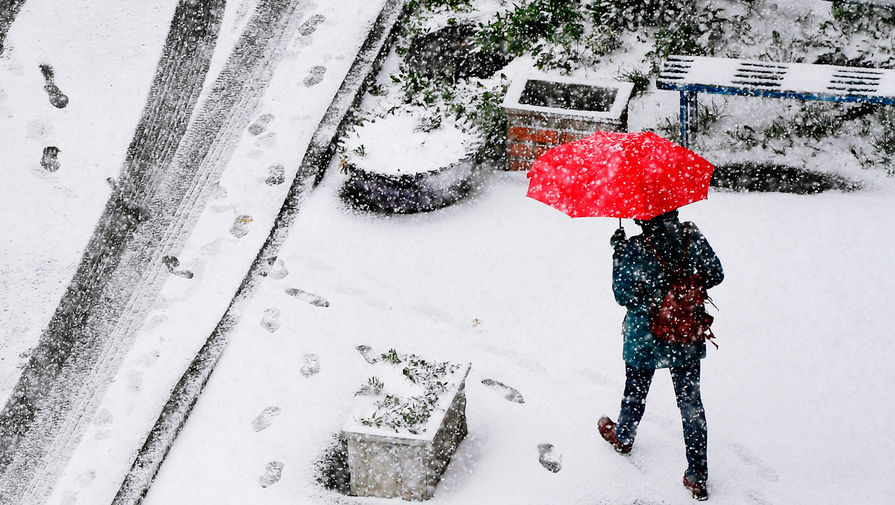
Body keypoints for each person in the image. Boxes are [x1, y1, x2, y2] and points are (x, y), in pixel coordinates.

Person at [598, 209, 723, 501]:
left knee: (636, 391)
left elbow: (622, 296)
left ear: (640, 218)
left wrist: (618, 252)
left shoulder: (633, 248)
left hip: (645, 336)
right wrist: (683, 287)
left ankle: (624, 437)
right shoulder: (691, 235)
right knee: (691, 404)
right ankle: (697, 475)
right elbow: (716, 274)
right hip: (685, 331)